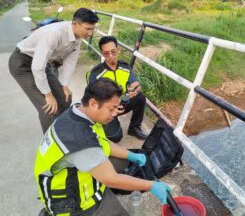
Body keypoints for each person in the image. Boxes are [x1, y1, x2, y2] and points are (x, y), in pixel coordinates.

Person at [34, 78, 171, 216]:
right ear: (93, 103)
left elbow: (102, 142)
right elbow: (111, 179)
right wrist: (151, 186)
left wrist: (131, 156)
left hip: (71, 171)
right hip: (71, 203)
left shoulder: (78, 112)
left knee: (123, 162)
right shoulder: (81, 140)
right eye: (111, 109)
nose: (114, 114)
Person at [9, 7, 99, 133]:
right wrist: (48, 95)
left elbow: (70, 62)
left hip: (41, 63)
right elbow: (37, 68)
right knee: (48, 108)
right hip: (22, 63)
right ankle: (50, 145)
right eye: (88, 29)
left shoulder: (77, 36)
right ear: (75, 24)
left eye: (92, 29)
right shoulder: (54, 33)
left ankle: (60, 131)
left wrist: (64, 85)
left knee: (64, 98)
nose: (90, 33)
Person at [86, 36, 147, 141]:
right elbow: (92, 101)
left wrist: (134, 90)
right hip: (106, 109)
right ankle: (105, 124)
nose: (111, 56)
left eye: (113, 52)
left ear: (118, 50)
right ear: (102, 53)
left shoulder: (125, 67)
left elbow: (136, 84)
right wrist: (110, 109)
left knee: (140, 97)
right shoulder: (96, 73)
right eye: (106, 53)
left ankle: (134, 127)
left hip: (122, 104)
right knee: (115, 137)